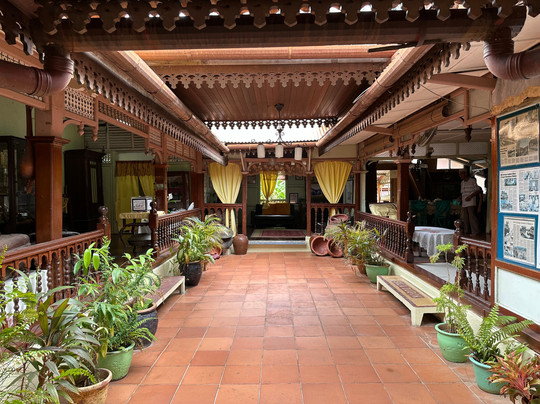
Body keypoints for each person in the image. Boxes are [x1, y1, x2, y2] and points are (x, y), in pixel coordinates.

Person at [458, 168, 482, 235]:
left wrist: (470, 196)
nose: (460, 176)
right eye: (459, 174)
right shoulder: (462, 182)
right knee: (465, 218)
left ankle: (475, 231)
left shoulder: (472, 180)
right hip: (464, 202)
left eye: (461, 174)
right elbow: (462, 193)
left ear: (465, 173)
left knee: (472, 217)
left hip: (471, 202)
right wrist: (460, 197)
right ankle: (466, 231)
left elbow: (477, 190)